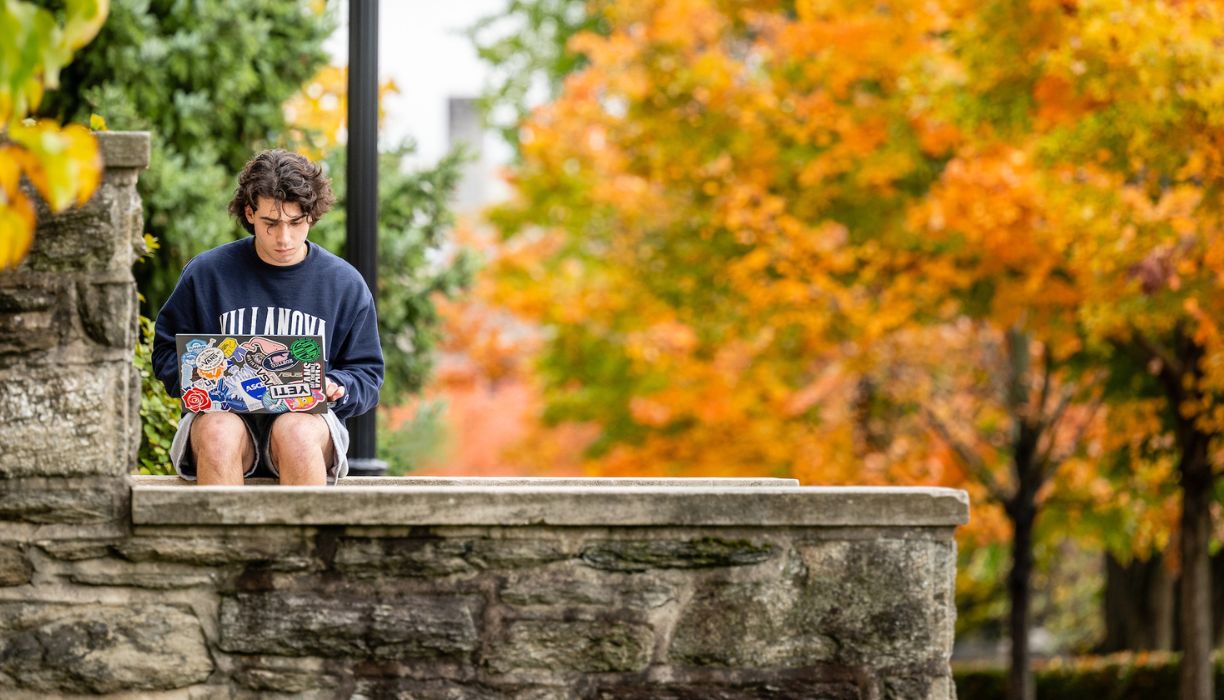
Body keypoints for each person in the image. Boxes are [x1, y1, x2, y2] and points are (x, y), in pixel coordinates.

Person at [152, 149, 383, 486]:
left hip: (308, 423)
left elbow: (367, 373)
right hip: (220, 416)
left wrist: (339, 387)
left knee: (297, 434)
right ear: (250, 213)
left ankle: (308, 540)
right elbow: (164, 353)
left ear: (311, 216)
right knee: (219, 431)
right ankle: (224, 540)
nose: (284, 238)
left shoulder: (343, 284)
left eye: (295, 222)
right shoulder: (207, 274)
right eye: (270, 224)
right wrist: (194, 378)